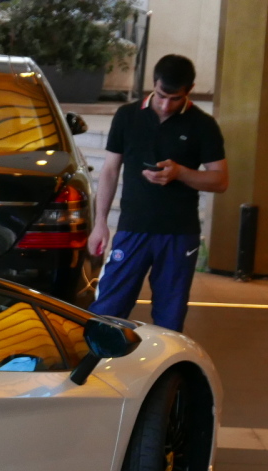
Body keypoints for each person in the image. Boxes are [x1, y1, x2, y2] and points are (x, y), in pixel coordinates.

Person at [87, 54, 229, 332]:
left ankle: (165, 372)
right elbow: (110, 171)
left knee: (170, 317)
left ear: (189, 91)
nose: (166, 105)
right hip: (133, 227)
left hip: (179, 233)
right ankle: (94, 368)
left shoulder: (203, 125)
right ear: (154, 84)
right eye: (162, 95)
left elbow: (220, 180)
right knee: (108, 310)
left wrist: (180, 172)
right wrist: (100, 223)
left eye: (175, 99)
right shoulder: (127, 116)